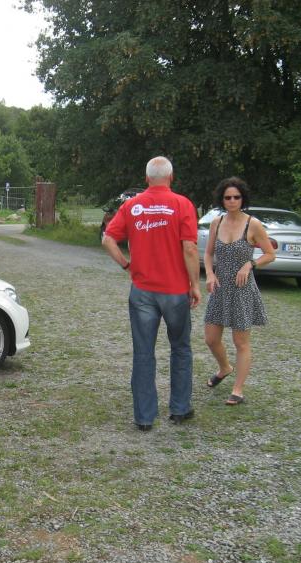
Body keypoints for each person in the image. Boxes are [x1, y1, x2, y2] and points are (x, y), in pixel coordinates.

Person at [102, 156, 201, 430]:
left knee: (143, 352)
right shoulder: (182, 204)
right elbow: (190, 248)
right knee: (180, 348)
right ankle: (180, 409)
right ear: (171, 177)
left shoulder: (132, 206)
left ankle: (144, 418)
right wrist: (194, 284)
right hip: (175, 291)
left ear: (147, 178)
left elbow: (108, 239)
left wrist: (127, 265)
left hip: (143, 290)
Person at [203, 177, 275, 406]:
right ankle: (225, 368)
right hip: (220, 287)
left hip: (242, 289)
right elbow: (208, 253)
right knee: (211, 339)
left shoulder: (253, 224)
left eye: (236, 197)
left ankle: (238, 390)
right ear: (222, 199)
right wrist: (210, 274)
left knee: (241, 342)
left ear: (243, 198)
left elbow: (270, 254)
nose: (232, 201)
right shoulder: (217, 222)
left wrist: (250, 264)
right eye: (228, 197)